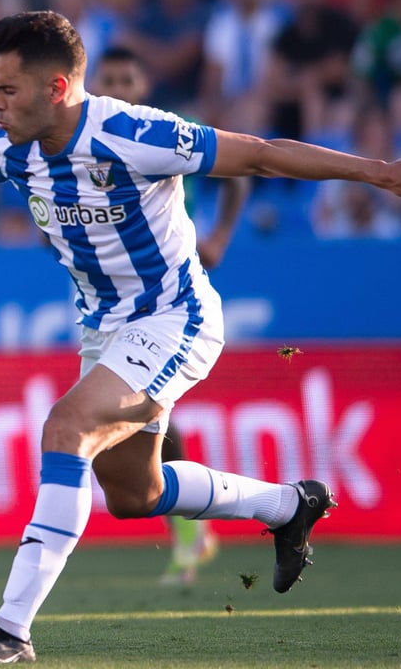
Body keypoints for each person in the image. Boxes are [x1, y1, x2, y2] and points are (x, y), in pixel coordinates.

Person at [0, 10, 401, 664]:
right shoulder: (12, 145)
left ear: (58, 88)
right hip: (105, 329)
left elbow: (262, 156)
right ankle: (289, 505)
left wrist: (380, 171)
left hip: (174, 319)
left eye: (8, 90)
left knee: (65, 427)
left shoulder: (134, 132)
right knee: (136, 495)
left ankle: (10, 630)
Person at [93, 45, 250, 585]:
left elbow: (237, 174)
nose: (115, 87)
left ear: (142, 86)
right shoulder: (84, 142)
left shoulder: (162, 133)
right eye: (106, 78)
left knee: (147, 413)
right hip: (116, 305)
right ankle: (197, 531)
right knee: (143, 421)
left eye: (125, 78)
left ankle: (195, 532)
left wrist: (221, 236)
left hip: (174, 296)